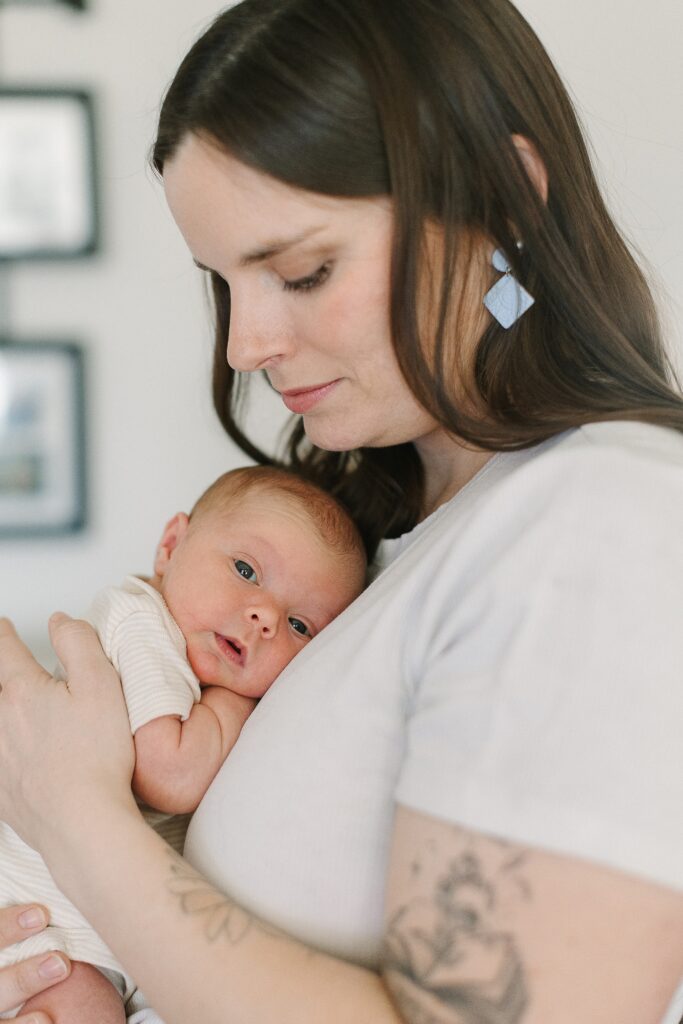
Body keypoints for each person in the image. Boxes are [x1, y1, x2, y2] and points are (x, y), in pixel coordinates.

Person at [0, 1, 682, 1022]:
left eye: (301, 271)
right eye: (222, 282)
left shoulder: (601, 519)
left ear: (500, 203)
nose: (245, 345)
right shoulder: (390, 539)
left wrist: (70, 817)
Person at [0, 465, 366, 1022]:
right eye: (246, 570)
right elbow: (167, 774)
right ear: (171, 546)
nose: (265, 617)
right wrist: (238, 703)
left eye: (300, 626)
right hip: (39, 918)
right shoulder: (140, 621)